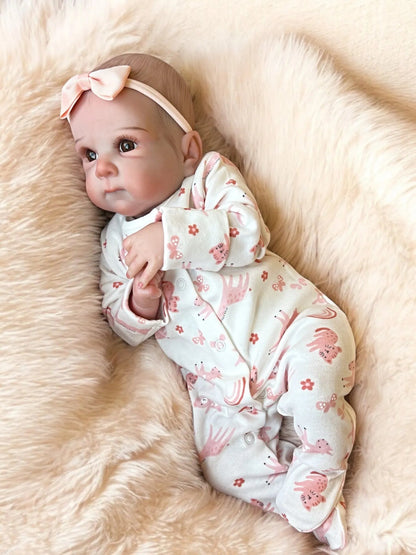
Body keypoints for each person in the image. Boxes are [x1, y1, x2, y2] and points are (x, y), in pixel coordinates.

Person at [60, 53, 356, 549]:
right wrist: (141, 301)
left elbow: (248, 233)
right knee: (223, 468)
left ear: (187, 151)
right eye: (89, 155)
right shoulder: (113, 244)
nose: (104, 168)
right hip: (221, 390)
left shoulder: (207, 183)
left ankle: (321, 470)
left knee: (317, 382)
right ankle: (294, 499)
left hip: (292, 332)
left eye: (125, 145)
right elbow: (119, 322)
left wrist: (171, 237)